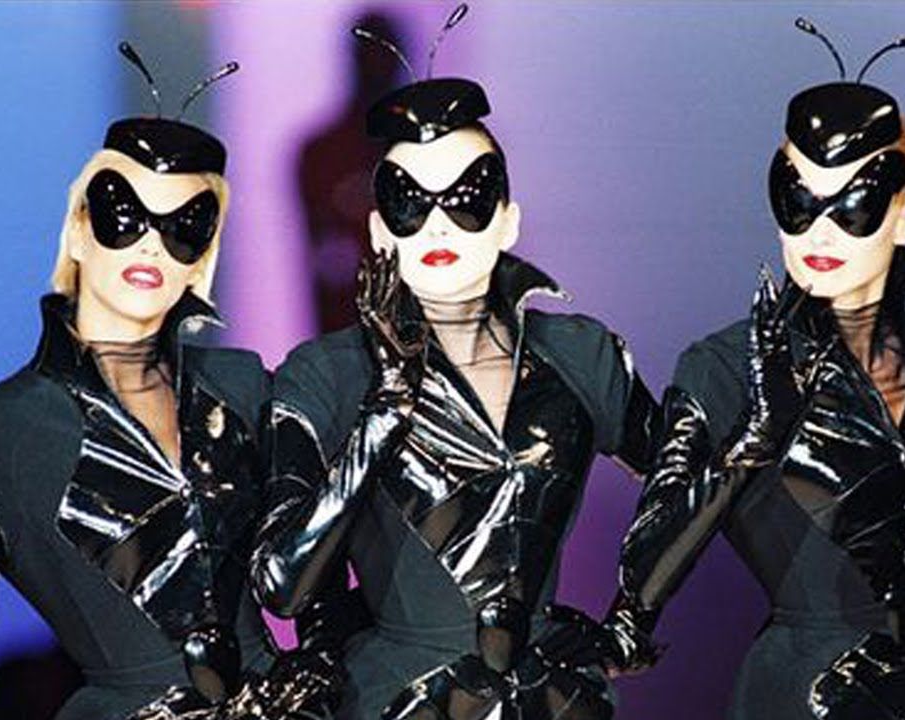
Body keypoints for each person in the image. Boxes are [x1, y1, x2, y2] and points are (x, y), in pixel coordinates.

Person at [251, 8, 657, 719]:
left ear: (508, 219)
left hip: (549, 697)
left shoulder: (579, 353)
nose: (438, 222)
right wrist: (382, 416)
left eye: (468, 198)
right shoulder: (324, 375)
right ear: (379, 230)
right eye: (409, 203)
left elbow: (705, 474)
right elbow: (280, 583)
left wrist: (633, 613)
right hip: (399, 698)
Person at [590, 18, 905, 720]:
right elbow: (644, 566)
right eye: (797, 200)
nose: (820, 230)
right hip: (802, 691)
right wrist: (751, 444)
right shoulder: (723, 368)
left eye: (856, 205)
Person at [0, 44, 341, 720]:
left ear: (201, 261)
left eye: (185, 228)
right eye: (123, 214)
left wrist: (320, 672)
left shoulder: (245, 388)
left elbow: (324, 568)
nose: (152, 243)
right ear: (78, 230)